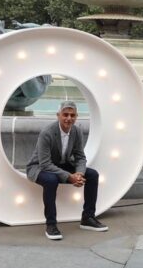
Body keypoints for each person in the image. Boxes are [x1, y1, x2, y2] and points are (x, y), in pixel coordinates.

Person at [25, 101, 107, 240]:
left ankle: (88, 218)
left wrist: (79, 173)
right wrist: (69, 177)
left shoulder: (76, 131)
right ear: (58, 115)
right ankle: (51, 225)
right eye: (65, 115)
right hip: (39, 167)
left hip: (61, 164)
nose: (69, 118)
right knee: (51, 180)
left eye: (72, 115)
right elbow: (45, 164)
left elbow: (80, 157)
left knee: (92, 175)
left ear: (76, 117)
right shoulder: (47, 133)